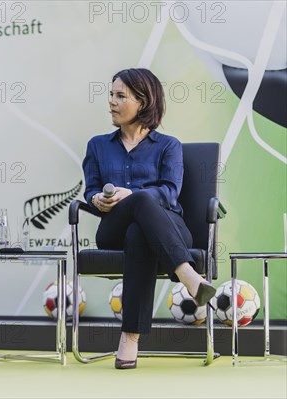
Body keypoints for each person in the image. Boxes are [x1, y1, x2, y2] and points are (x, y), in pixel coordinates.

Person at [82, 68, 216, 369]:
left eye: (120, 96)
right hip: (111, 228)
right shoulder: (97, 145)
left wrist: (131, 194)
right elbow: (89, 190)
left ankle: (129, 337)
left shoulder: (169, 146)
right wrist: (97, 200)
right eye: (111, 95)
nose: (111, 103)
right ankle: (188, 275)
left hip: (168, 226)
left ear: (143, 101)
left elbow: (169, 193)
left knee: (138, 230)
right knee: (136, 207)